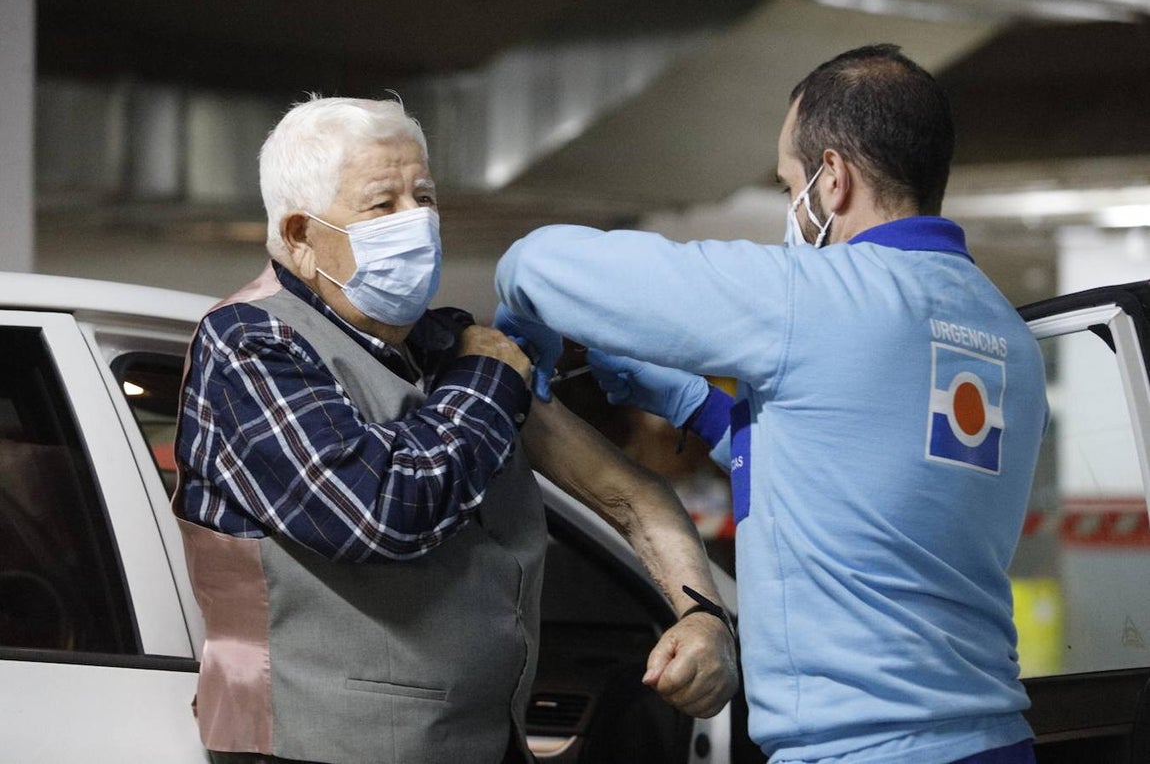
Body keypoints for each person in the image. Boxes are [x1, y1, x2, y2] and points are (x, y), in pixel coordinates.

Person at [494, 45, 1049, 764]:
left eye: (792, 184)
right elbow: (841, 463)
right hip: (993, 741)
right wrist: (686, 397)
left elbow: (537, 264)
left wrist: (526, 333)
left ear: (834, 178)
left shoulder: (817, 298)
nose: (794, 207)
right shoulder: (1007, 334)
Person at [172, 96, 737, 764]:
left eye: (425, 197)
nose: (418, 223)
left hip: (482, 742)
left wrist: (704, 616)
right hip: (317, 749)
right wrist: (490, 377)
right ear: (300, 235)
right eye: (383, 206)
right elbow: (379, 513)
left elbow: (630, 496)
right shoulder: (252, 342)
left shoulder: (449, 344)